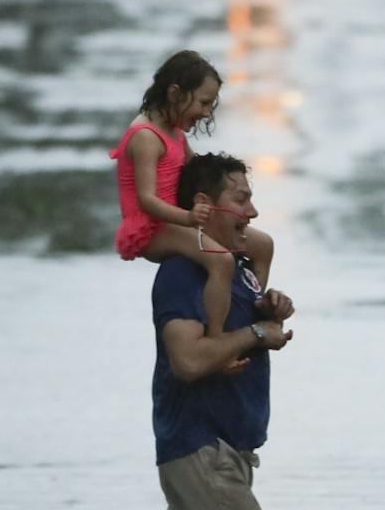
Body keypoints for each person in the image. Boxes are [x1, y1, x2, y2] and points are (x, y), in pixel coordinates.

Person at [59, 150, 296, 510]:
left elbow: (248, 306)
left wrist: (266, 307)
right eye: (241, 198)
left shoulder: (234, 266)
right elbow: (189, 360)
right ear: (206, 207)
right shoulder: (182, 274)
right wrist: (256, 333)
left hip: (226, 455)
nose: (253, 209)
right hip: (201, 451)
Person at [110, 50, 275, 338]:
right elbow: (147, 200)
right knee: (221, 259)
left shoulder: (174, 131)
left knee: (262, 245)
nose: (207, 112)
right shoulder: (146, 137)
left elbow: (195, 169)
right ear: (175, 93)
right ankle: (217, 335)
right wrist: (188, 217)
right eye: (203, 103)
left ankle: (252, 306)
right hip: (152, 227)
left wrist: (228, 185)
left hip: (179, 219)